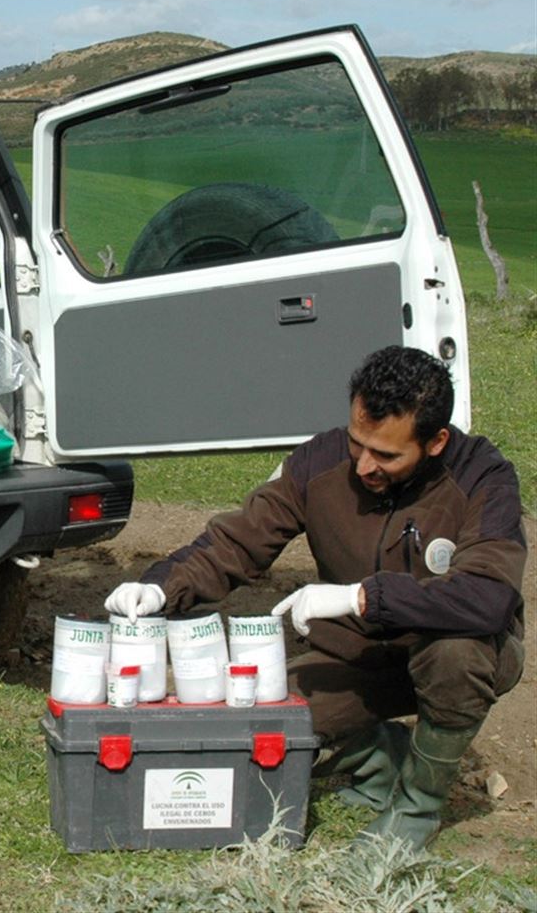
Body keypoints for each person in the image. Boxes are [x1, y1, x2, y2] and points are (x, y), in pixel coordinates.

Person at [106, 345, 526, 851]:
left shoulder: (483, 477)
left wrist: (362, 598)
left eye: (387, 455)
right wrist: (159, 586)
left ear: (436, 441)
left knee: (456, 653)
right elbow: (237, 540)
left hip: (452, 653)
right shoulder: (319, 462)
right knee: (252, 728)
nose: (364, 465)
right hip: (356, 657)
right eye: (357, 443)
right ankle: (381, 758)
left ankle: (417, 806)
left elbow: (487, 597)